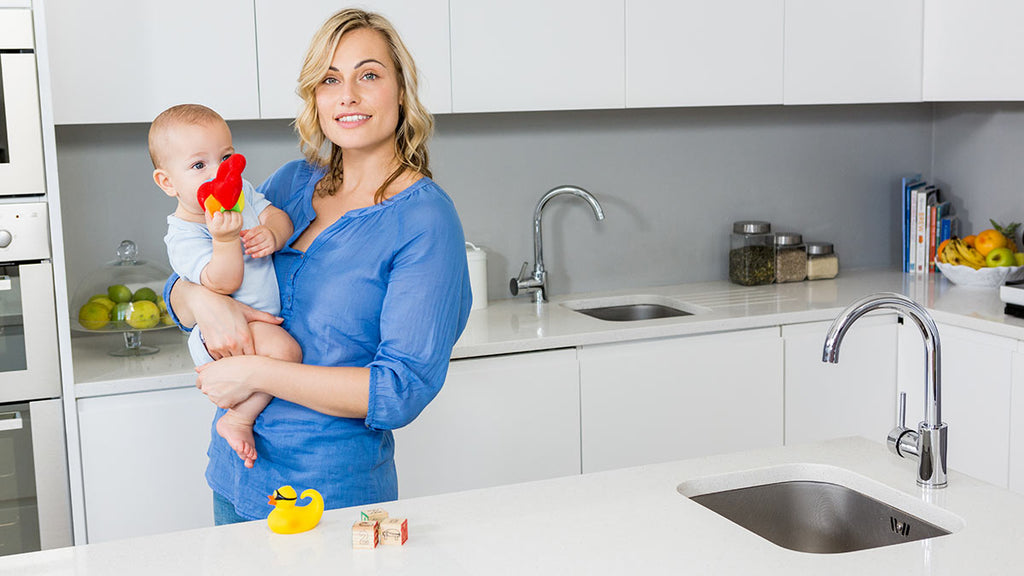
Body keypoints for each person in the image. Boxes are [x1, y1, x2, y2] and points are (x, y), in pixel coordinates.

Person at [163, 8, 472, 524]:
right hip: (235, 479)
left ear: (401, 90)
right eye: (330, 79)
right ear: (315, 96)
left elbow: (399, 391)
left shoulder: (424, 219)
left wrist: (254, 371)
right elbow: (188, 271)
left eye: (368, 75)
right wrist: (201, 302)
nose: (347, 94)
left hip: (328, 496)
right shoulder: (290, 183)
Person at [151, 104, 302, 470]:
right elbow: (222, 282)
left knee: (282, 353)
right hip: (224, 336)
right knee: (288, 354)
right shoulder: (183, 235)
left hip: (256, 323)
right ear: (167, 182)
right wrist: (225, 239)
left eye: (226, 157)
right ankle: (238, 418)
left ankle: (240, 412)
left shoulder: (243, 192)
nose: (219, 172)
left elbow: (276, 216)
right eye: (199, 166)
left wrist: (273, 233)